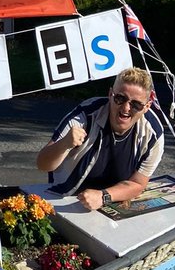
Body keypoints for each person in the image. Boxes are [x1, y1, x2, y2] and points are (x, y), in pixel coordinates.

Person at [36, 67, 163, 211]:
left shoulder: (153, 134)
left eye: (136, 104)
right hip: (65, 200)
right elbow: (42, 164)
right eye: (120, 98)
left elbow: (138, 184)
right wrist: (64, 144)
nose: (126, 108)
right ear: (110, 94)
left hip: (112, 201)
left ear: (146, 107)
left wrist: (104, 197)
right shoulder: (84, 116)